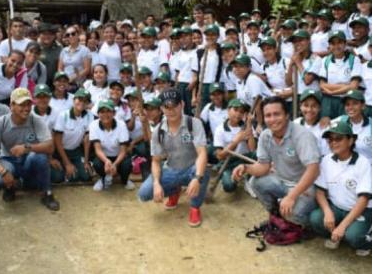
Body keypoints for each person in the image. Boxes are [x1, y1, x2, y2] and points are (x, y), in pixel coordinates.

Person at [232, 97, 320, 227]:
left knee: (294, 215)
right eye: (268, 115)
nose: (272, 119)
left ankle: (303, 227)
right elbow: (263, 166)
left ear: (287, 115)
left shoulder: (302, 136)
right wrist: (245, 167)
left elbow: (314, 170)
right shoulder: (265, 135)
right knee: (255, 182)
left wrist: (291, 196)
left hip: (304, 186)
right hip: (282, 181)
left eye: (277, 114)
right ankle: (276, 217)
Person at [138, 88, 210, 227]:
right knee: (144, 193)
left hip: (191, 168)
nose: (171, 110)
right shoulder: (158, 131)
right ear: (161, 108)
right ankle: (174, 190)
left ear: (182, 104)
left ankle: (195, 207)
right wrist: (156, 183)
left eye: (174, 105)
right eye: (167, 107)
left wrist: (197, 178)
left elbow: (202, 153)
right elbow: (155, 161)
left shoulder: (193, 123)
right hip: (171, 168)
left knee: (203, 171)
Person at [0, 88, 60, 211]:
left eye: (28, 104)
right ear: (12, 106)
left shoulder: (36, 120)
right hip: (8, 160)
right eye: (21, 105)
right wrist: (3, 172)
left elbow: (50, 147)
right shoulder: (0, 123)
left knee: (40, 156)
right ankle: (10, 187)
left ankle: (47, 193)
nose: (26, 108)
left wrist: (27, 148)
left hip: (28, 160)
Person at [310, 121, 372, 257]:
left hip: (362, 210)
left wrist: (342, 226)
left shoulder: (363, 164)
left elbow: (363, 200)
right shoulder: (327, 160)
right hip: (337, 207)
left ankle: (366, 240)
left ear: (351, 140)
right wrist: (328, 211)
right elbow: (319, 191)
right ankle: (337, 234)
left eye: (338, 138)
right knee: (316, 219)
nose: (333, 143)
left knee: (353, 237)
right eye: (330, 140)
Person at [51, 88, 95, 184]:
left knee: (86, 175)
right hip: (60, 151)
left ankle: (76, 168)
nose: (82, 103)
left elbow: (87, 140)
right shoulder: (63, 115)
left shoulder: (89, 115)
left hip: (76, 151)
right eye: (80, 99)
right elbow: (57, 141)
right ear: (73, 100)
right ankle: (66, 169)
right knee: (58, 177)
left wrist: (86, 161)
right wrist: (67, 163)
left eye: (85, 101)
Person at [89, 100, 134, 191]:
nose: (105, 114)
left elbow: (123, 151)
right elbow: (97, 149)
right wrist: (106, 161)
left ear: (114, 113)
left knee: (127, 164)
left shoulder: (121, 125)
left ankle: (125, 180)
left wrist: (115, 164)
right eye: (102, 112)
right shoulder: (94, 125)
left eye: (108, 111)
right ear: (98, 114)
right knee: (97, 163)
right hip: (104, 156)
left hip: (119, 156)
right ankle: (103, 179)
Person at [213, 98, 256, 193]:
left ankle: (249, 178)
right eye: (235, 110)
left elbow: (252, 149)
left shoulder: (246, 126)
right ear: (228, 110)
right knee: (229, 186)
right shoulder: (220, 129)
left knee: (258, 154)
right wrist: (236, 141)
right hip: (229, 163)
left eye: (241, 112)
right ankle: (233, 176)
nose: (238, 114)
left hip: (244, 158)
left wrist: (249, 124)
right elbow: (220, 156)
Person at [319, 30, 362, 119]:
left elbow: (354, 87)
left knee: (345, 128)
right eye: (333, 43)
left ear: (345, 44)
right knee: (327, 129)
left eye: (339, 43)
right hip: (328, 102)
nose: (336, 46)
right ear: (329, 46)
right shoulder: (325, 61)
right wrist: (345, 86)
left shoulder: (354, 60)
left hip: (347, 100)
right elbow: (322, 85)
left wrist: (332, 91)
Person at [294, 89, 330, 157]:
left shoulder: (325, 127)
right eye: (306, 105)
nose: (309, 109)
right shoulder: (296, 123)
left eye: (314, 106)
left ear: (319, 108)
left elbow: (325, 154)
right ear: (300, 106)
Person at [174, 27, 198, 115]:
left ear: (192, 36)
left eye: (186, 36)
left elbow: (195, 75)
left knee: (191, 112)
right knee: (181, 112)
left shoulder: (197, 51)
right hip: (180, 85)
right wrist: (176, 89)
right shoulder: (180, 53)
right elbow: (177, 73)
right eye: (181, 37)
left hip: (190, 85)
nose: (183, 39)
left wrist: (194, 95)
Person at [38, 22, 62, 86]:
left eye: (50, 34)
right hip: (38, 83)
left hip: (55, 83)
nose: (47, 36)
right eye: (44, 34)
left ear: (54, 36)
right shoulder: (35, 48)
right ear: (39, 35)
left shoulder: (59, 49)